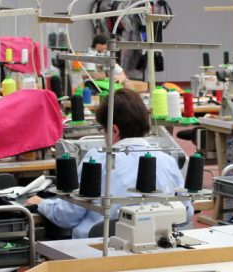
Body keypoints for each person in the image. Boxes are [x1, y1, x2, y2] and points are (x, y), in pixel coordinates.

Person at [27, 88, 190, 238]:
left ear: (114, 130)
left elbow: (67, 216)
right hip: (157, 251)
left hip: (100, 250)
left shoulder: (97, 160)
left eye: (102, 130)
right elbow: (186, 213)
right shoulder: (167, 161)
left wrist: (42, 204)